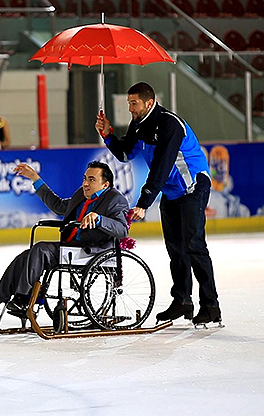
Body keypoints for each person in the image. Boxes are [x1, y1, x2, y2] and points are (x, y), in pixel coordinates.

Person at [95, 82, 222, 326]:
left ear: (149, 103)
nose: (130, 108)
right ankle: (182, 300)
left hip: (192, 186)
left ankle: (211, 306)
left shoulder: (169, 124)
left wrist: (144, 202)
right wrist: (108, 134)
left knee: (194, 245)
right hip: (171, 191)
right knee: (175, 248)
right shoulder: (138, 124)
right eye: (129, 103)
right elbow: (125, 154)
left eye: (134, 103)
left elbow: (161, 167)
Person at [0, 161, 128, 323]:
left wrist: (99, 219)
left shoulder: (115, 199)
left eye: (91, 180)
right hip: (71, 248)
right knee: (25, 256)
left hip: (93, 250)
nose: (85, 183)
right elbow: (58, 206)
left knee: (41, 249)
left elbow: (122, 229)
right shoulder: (82, 194)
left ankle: (24, 298)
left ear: (105, 184)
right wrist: (35, 178)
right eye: (85, 178)